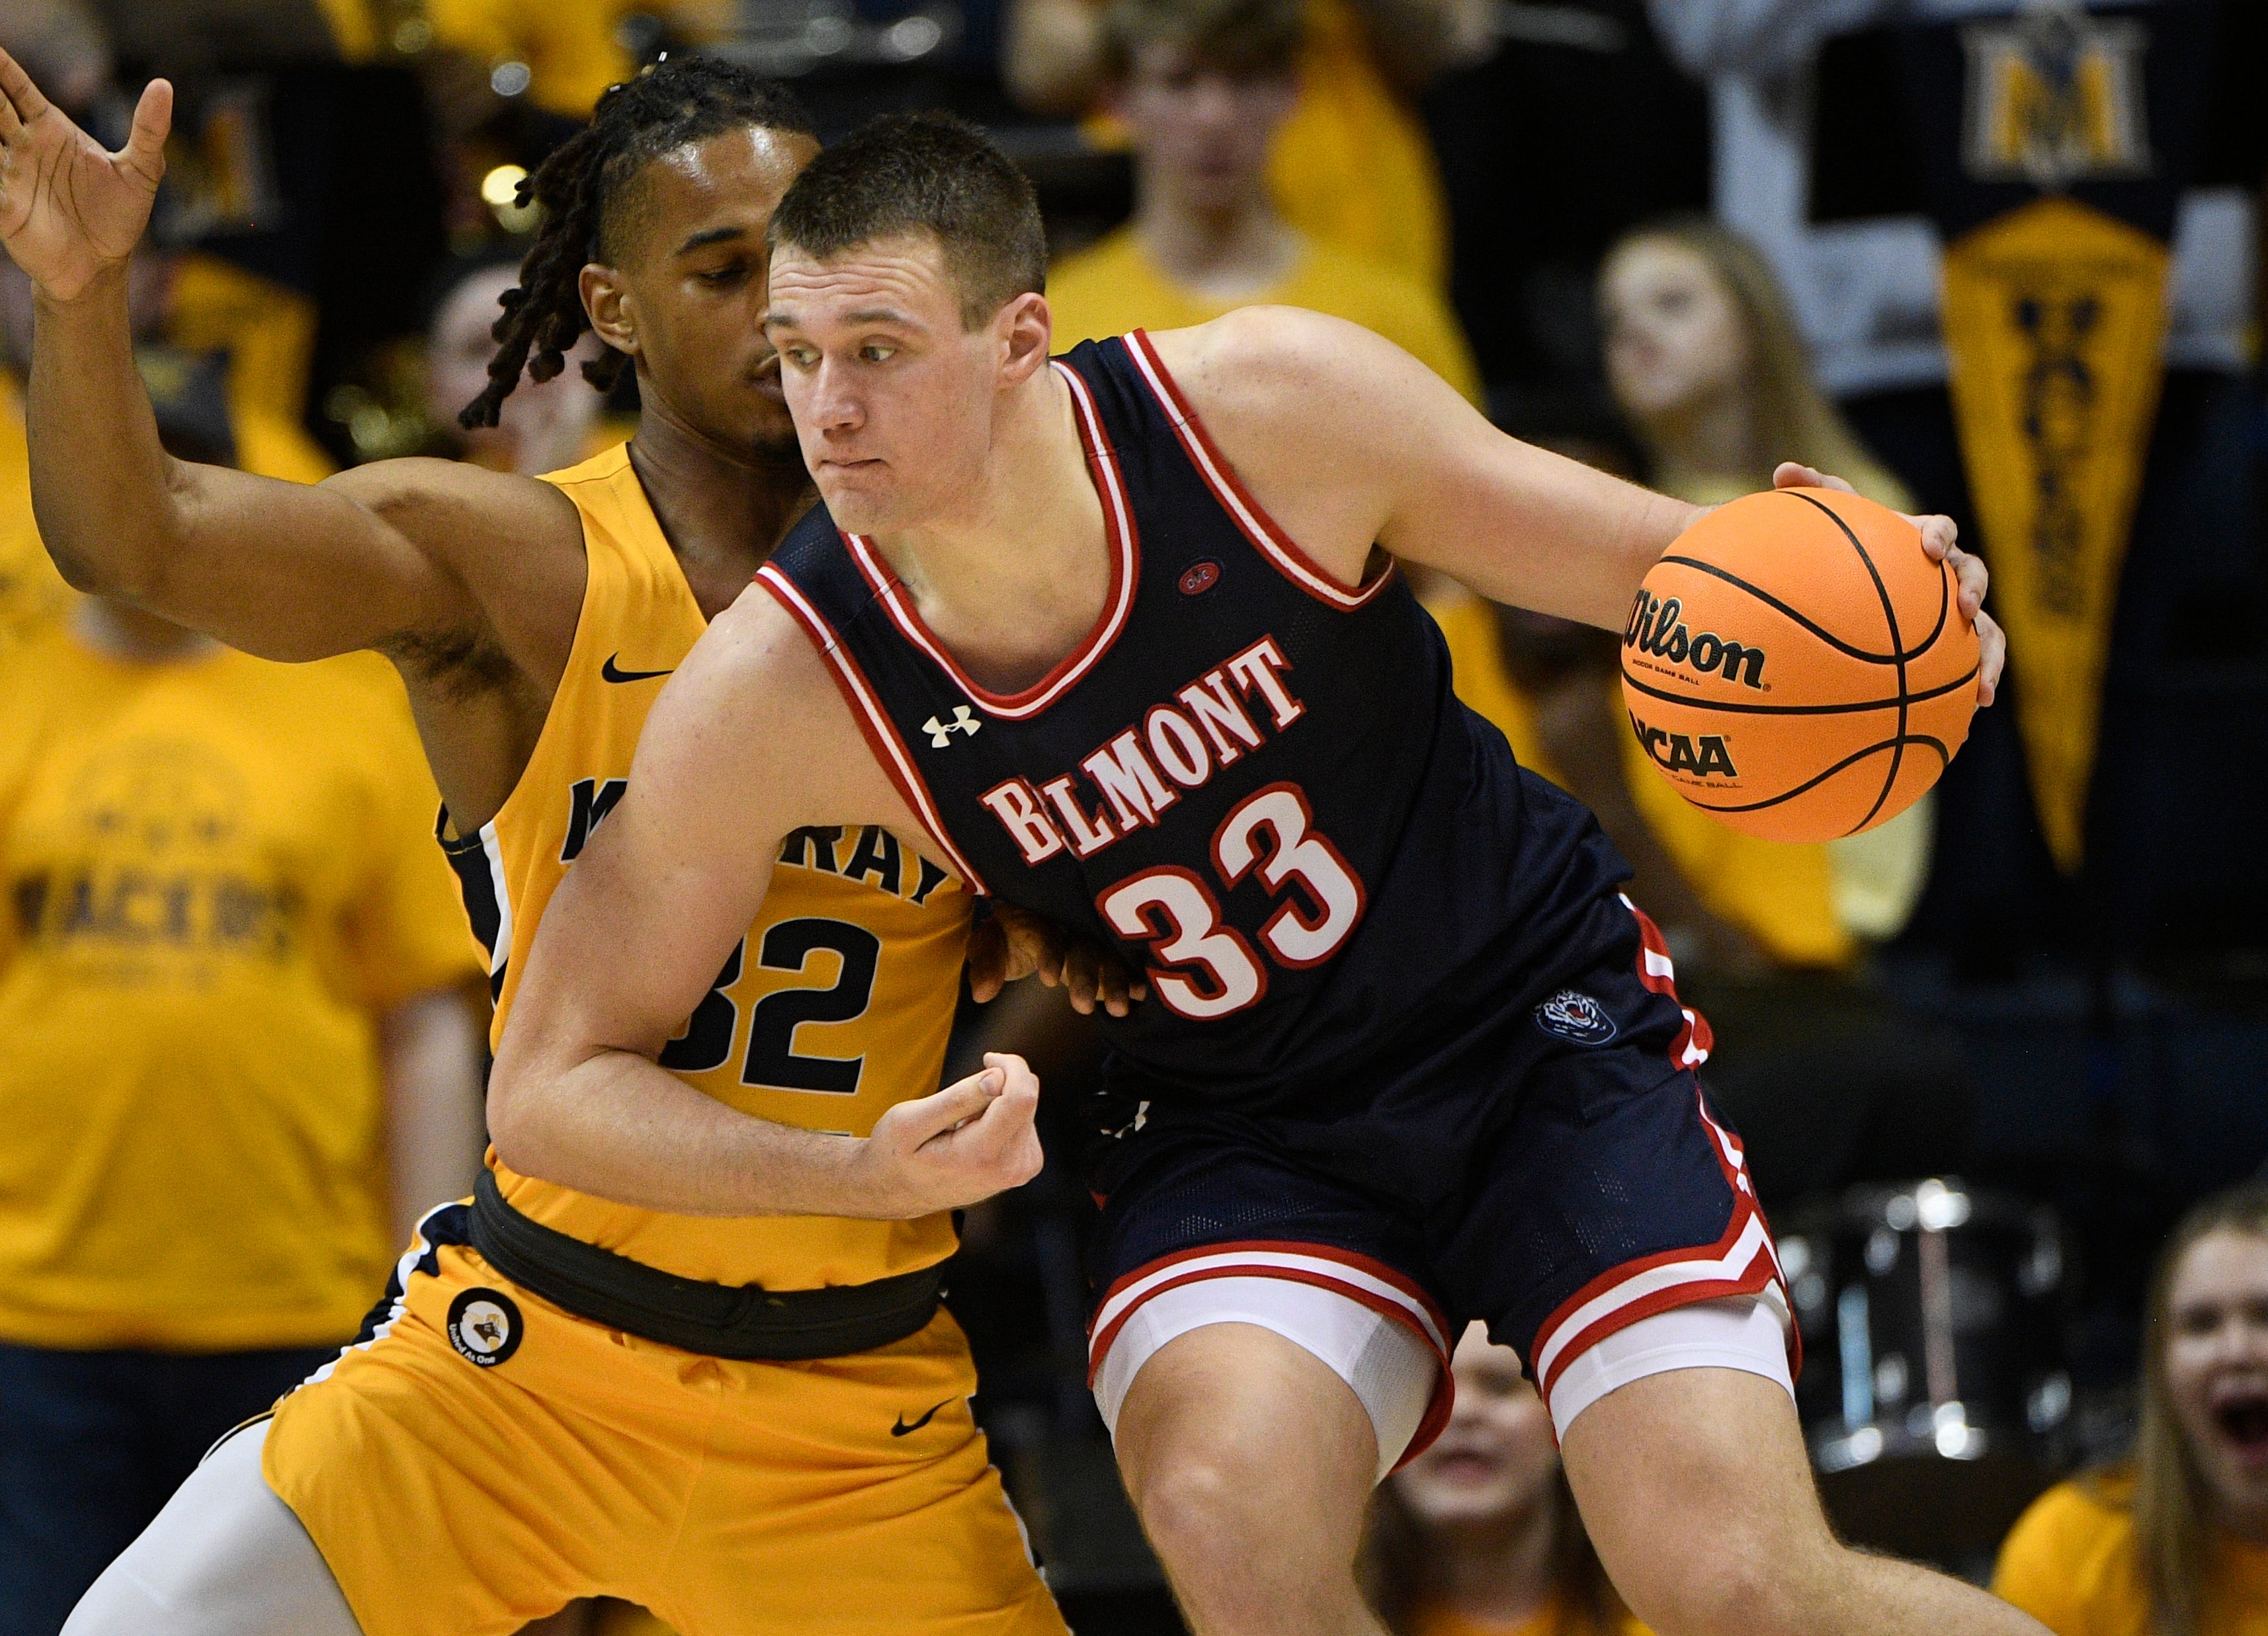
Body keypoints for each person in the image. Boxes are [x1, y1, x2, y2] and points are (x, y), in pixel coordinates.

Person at [488, 110, 2037, 1636]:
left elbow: (1668, 577)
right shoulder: (786, 679)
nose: (819, 402)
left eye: (876, 348)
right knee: (1229, 1518)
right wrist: (851, 1173)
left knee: (1736, 1587)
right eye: (794, 348)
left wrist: (1893, 600)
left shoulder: (1261, 415)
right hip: (1235, 1113)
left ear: (1019, 337)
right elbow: (546, 1078)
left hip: (1524, 1025)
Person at [0, 52, 1109, 1636]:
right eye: (717, 270)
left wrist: (1041, 974)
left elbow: (1101, 905)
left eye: (797, 261)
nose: (770, 309)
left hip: (850, 1397)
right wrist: (86, 295)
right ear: (608, 309)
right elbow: (138, 537)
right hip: (518, 1363)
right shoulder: (512, 567)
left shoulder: (975, 593)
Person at [0, 584, 487, 1636]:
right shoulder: (14, 684)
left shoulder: (347, 705)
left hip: (301, 1309)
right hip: (36, 1320)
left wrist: (430, 1288)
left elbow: (424, 1022)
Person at [1043, 0, 1480, 407]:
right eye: (1179, 81)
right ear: (1116, 99)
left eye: (1245, 78)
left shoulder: (1394, 319)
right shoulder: (1060, 320)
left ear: (1293, 90)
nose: (1214, 115)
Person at [1003, 0, 1471, 290]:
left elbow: (1452, 39)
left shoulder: (1389, 307)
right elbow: (1042, 67)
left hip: (1353, 206)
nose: (1214, 116)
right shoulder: (1074, 305)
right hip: (1141, 231)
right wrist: (1166, 27)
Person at [1992, 1183, 2268, 1636]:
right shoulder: (2066, 1548)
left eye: (2264, 1315)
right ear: (2159, 1365)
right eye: (2200, 1324)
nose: (2235, 1351)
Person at [1365, 1323, 1650, 1636]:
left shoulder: (1667, 1617)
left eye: (1500, 1386)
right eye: (1433, 1391)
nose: (1462, 1411)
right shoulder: (1316, 1614)